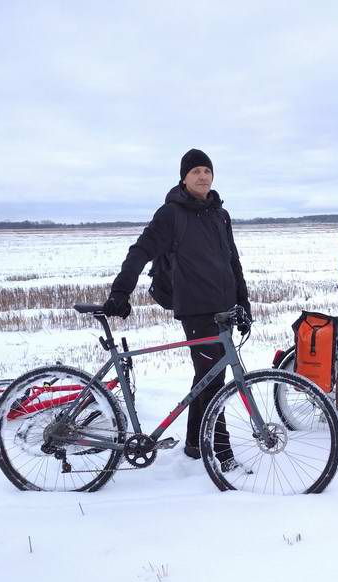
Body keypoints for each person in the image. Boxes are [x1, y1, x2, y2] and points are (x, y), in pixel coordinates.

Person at [103, 149, 251, 472]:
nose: (202, 176)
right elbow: (141, 250)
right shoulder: (171, 214)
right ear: (184, 177)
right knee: (213, 384)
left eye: (207, 170)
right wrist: (120, 291)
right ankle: (222, 456)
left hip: (224, 308)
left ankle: (195, 444)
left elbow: (233, 261)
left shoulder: (220, 215)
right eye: (195, 171)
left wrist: (244, 302)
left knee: (208, 377)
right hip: (197, 311)